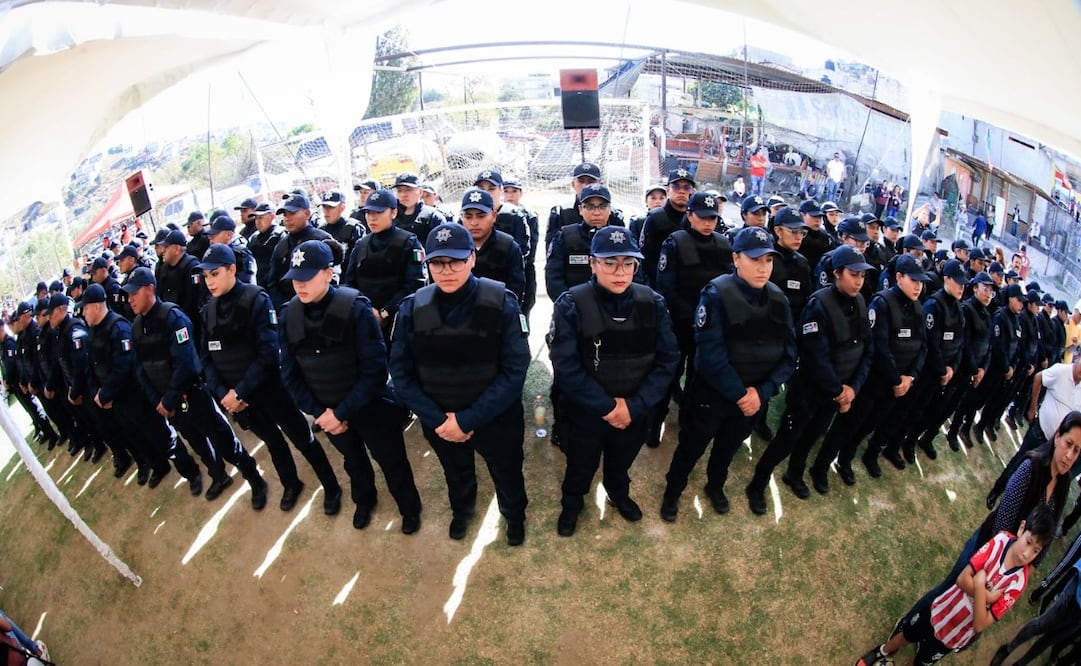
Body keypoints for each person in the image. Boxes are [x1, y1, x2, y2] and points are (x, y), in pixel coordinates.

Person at [390, 224, 528, 544]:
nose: (446, 270)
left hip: (495, 417)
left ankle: (514, 515)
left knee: (507, 471)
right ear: (427, 263)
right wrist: (441, 420)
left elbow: (514, 370)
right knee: (456, 471)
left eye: (455, 261)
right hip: (439, 419)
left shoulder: (501, 302)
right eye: (438, 263)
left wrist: (467, 420)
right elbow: (401, 373)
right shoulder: (412, 308)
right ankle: (462, 511)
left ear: (472, 259)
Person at [281, 241, 422, 533]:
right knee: (353, 462)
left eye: (307, 277)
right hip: (328, 412)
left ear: (328, 272)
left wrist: (340, 412)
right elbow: (291, 374)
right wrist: (321, 412)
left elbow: (374, 369)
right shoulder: (288, 314)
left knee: (391, 461)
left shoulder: (354, 307)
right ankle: (364, 500)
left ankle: (409, 509)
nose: (300, 285)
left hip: (369, 407)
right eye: (296, 278)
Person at [548, 226, 678, 535]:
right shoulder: (571, 304)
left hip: (635, 410)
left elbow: (668, 360)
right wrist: (608, 407)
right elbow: (565, 366)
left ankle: (618, 493)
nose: (620, 271)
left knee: (621, 462)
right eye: (609, 262)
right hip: (586, 411)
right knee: (580, 465)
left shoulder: (653, 303)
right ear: (592, 263)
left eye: (627, 262)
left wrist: (634, 407)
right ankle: (572, 505)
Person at [198, 244, 344, 513]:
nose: (209, 282)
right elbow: (206, 359)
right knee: (273, 443)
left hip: (270, 390)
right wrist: (225, 394)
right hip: (239, 400)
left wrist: (239, 392)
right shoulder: (208, 312)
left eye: (215, 274)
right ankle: (291, 483)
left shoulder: (256, 299)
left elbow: (268, 353)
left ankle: (331, 486)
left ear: (232, 270)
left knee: (303, 439)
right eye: (206, 276)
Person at [661, 226, 795, 520]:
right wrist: (741, 394)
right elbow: (710, 356)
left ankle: (715, 485)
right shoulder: (716, 294)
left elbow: (789, 356)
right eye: (755, 259)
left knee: (727, 448)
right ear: (736, 258)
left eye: (768, 261)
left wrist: (761, 393)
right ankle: (673, 492)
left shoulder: (779, 299)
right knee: (691, 447)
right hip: (714, 395)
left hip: (754, 399)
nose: (763, 268)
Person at [124, 266, 269, 507]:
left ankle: (254, 478)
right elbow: (140, 369)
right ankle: (218, 475)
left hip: (191, 395)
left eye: (134, 294)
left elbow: (186, 364)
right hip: (168, 404)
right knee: (197, 443)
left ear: (150, 289)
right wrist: (158, 402)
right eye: (128, 295)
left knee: (223, 439)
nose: (129, 299)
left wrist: (168, 399)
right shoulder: (136, 327)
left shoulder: (173, 318)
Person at [746, 246, 874, 512]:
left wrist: (853, 388)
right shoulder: (819, 304)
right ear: (837, 274)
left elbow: (866, 349)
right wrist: (840, 391)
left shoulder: (861, 302)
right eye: (853, 274)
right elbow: (816, 355)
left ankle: (794, 474)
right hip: (810, 391)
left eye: (862, 276)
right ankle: (757, 484)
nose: (859, 281)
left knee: (812, 436)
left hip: (837, 393)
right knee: (787, 440)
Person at [855, 503, 1053, 666]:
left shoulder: (1019, 583)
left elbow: (980, 623)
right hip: (942, 606)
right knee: (908, 633)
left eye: (1035, 551)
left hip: (956, 634)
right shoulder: (1000, 540)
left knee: (922, 661)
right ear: (1021, 529)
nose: (1027, 554)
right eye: (1028, 542)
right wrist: (988, 597)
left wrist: (979, 582)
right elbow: (961, 579)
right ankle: (883, 651)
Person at [814, 254, 929, 486]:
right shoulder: (882, 303)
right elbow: (879, 346)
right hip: (874, 382)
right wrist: (897, 379)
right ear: (898, 277)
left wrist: (911, 376)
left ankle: (846, 460)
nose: (918, 286)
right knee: (847, 426)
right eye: (913, 280)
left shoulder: (917, 308)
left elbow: (922, 346)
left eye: (921, 281)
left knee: (870, 425)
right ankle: (821, 465)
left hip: (897, 386)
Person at [82, 282, 202, 488]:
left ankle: (190, 472)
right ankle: (158, 466)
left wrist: (105, 394)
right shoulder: (93, 331)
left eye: (84, 309)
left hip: (134, 396)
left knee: (163, 436)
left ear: (95, 306)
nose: (83, 314)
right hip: (116, 401)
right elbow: (90, 366)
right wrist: (98, 393)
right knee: (135, 435)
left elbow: (124, 366)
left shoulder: (118, 327)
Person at [342, 188, 427, 345]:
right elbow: (350, 284)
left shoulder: (409, 242)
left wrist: (385, 312)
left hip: (399, 320)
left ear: (393, 213)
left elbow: (415, 285)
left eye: (378, 213)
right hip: (365, 318)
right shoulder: (361, 245)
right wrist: (367, 310)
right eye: (368, 213)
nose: (372, 218)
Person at [266, 193, 341, 311]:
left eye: (292, 213)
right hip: (291, 310)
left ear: (307, 214)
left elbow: (334, 277)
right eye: (285, 214)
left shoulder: (322, 240)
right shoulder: (281, 246)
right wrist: (286, 308)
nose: (287, 218)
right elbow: (273, 282)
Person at [459, 187, 526, 303]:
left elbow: (515, 291)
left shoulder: (508, 246)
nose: (474, 223)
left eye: (481, 216)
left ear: (494, 216)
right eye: (468, 216)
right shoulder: (453, 246)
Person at [639, 168, 696, 286]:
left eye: (686, 187)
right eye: (676, 187)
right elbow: (645, 257)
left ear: (692, 191)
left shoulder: (697, 219)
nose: (681, 191)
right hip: (658, 284)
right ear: (668, 189)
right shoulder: (655, 218)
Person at [502, 177, 541, 318]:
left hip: (524, 270)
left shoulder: (529, 216)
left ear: (521, 193)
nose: (510, 195)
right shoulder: (494, 215)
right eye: (506, 191)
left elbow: (530, 250)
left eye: (514, 191)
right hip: (501, 271)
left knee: (523, 310)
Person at [392, 172, 446, 245]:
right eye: (399, 190)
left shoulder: (433, 217)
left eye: (408, 189)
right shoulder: (390, 217)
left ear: (420, 192)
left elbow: (444, 247)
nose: (403, 194)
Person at [248, 202, 285, 291]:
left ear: (271, 216)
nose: (258, 222)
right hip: (258, 286)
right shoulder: (254, 238)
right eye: (256, 218)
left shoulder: (281, 236)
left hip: (277, 287)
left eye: (261, 217)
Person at [319, 189, 364, 261]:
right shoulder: (320, 231)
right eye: (324, 206)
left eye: (331, 207)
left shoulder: (354, 229)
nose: (326, 211)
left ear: (342, 207)